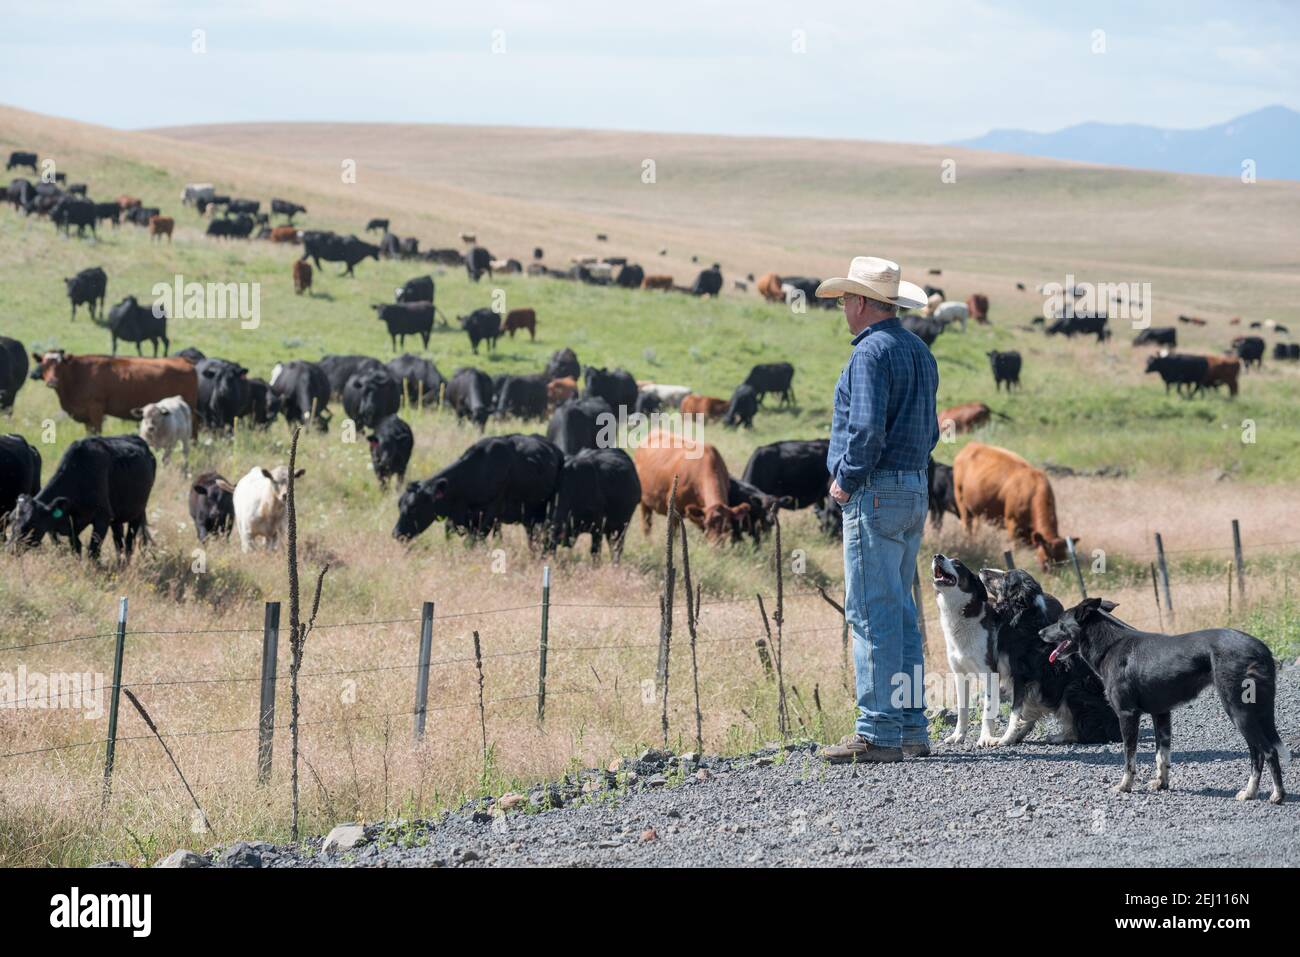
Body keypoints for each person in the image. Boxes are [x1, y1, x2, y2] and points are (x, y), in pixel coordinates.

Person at [814, 257, 940, 763]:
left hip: (876, 491)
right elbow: (931, 430)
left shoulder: (869, 354)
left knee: (870, 612)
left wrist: (845, 480)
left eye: (846, 299)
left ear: (862, 302)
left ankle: (877, 732)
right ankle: (911, 727)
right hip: (914, 487)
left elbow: (864, 431)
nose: (844, 308)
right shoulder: (919, 350)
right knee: (902, 612)